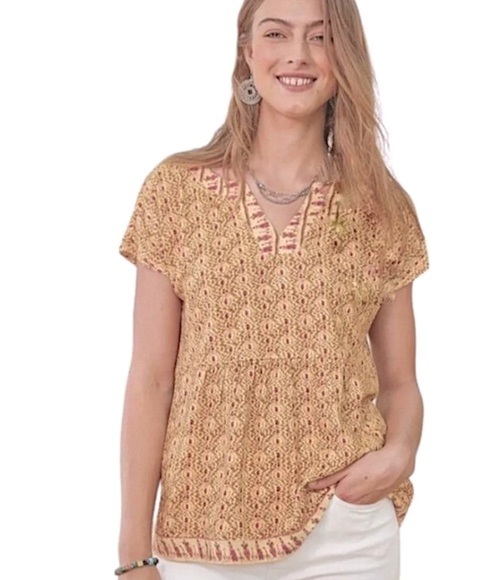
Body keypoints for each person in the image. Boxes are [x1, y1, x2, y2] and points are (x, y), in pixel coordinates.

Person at [116, 0, 428, 578]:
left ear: (344, 57)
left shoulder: (380, 208)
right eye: (277, 34)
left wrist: (400, 454)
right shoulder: (176, 193)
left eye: (320, 37)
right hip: (201, 535)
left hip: (347, 533)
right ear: (248, 51)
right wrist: (134, 552)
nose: (297, 55)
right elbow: (152, 379)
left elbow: (401, 382)